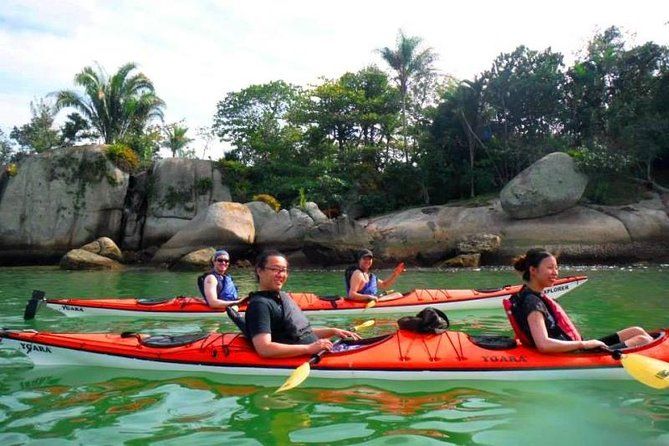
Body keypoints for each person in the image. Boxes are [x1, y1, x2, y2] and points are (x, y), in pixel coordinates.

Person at [509, 248, 653, 353]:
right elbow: (543, 344)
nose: (555, 273)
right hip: (573, 353)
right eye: (550, 268)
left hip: (573, 346)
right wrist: (582, 344)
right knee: (643, 340)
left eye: (556, 268)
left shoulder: (530, 295)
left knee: (636, 331)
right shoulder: (532, 303)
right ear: (533, 270)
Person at [245, 250, 361, 358]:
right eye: (275, 269)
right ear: (259, 271)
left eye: (284, 270)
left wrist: (332, 331)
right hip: (309, 356)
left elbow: (299, 333)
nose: (281, 274)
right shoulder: (259, 305)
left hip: (321, 351)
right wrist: (308, 348)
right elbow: (264, 348)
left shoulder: (283, 297)